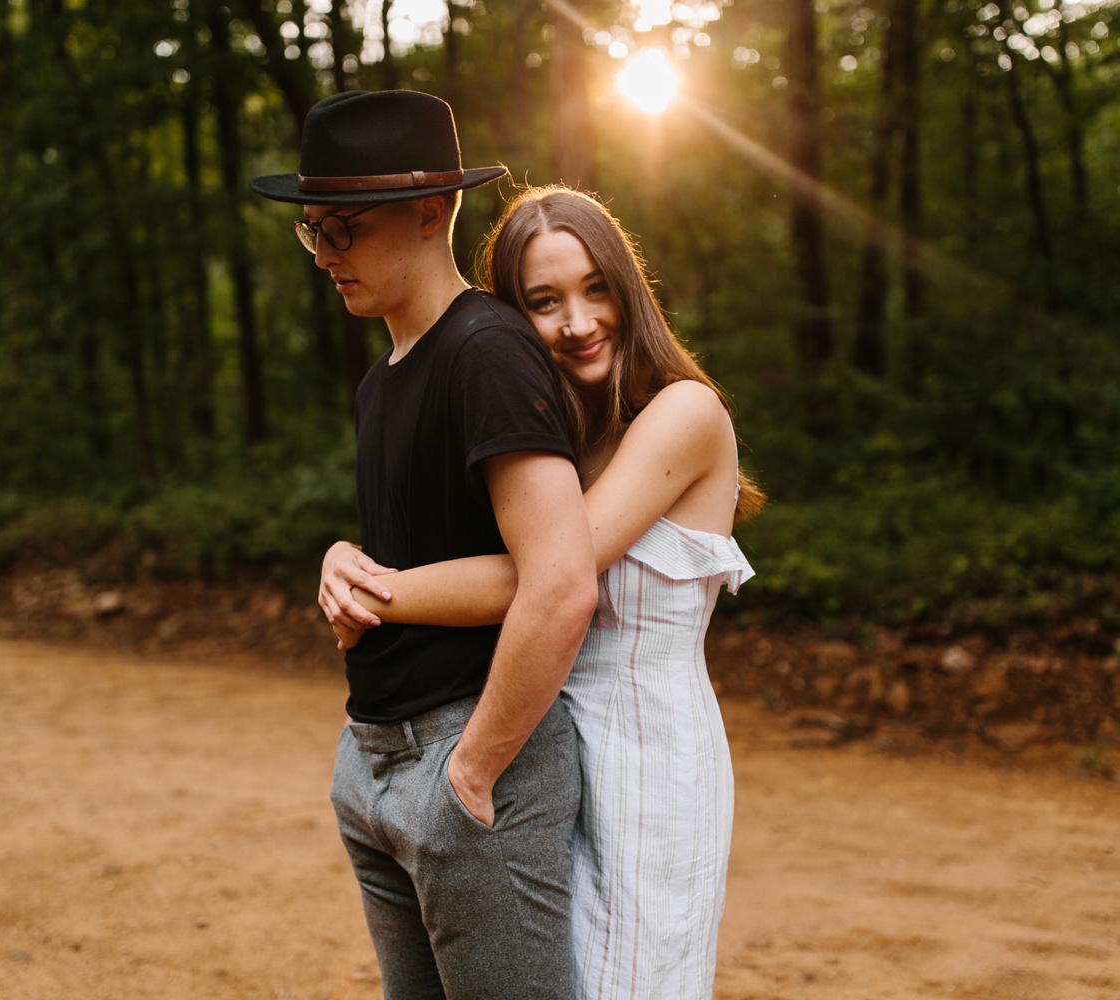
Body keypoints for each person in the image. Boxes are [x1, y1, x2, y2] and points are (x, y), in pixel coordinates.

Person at [321, 185, 765, 1000]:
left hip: (646, 752)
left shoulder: (685, 415)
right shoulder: (554, 440)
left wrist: (370, 590)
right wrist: (343, 555)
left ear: (629, 290)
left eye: (597, 288)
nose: (579, 322)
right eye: (544, 301)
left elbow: (550, 576)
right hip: (546, 734)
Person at [251, 94, 600, 998]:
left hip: (467, 757)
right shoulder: (381, 379)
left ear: (430, 211)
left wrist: (470, 774)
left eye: (346, 228)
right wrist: (342, 559)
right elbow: (415, 558)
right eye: (313, 229)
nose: (324, 254)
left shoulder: (486, 349)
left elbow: (560, 580)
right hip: (374, 758)